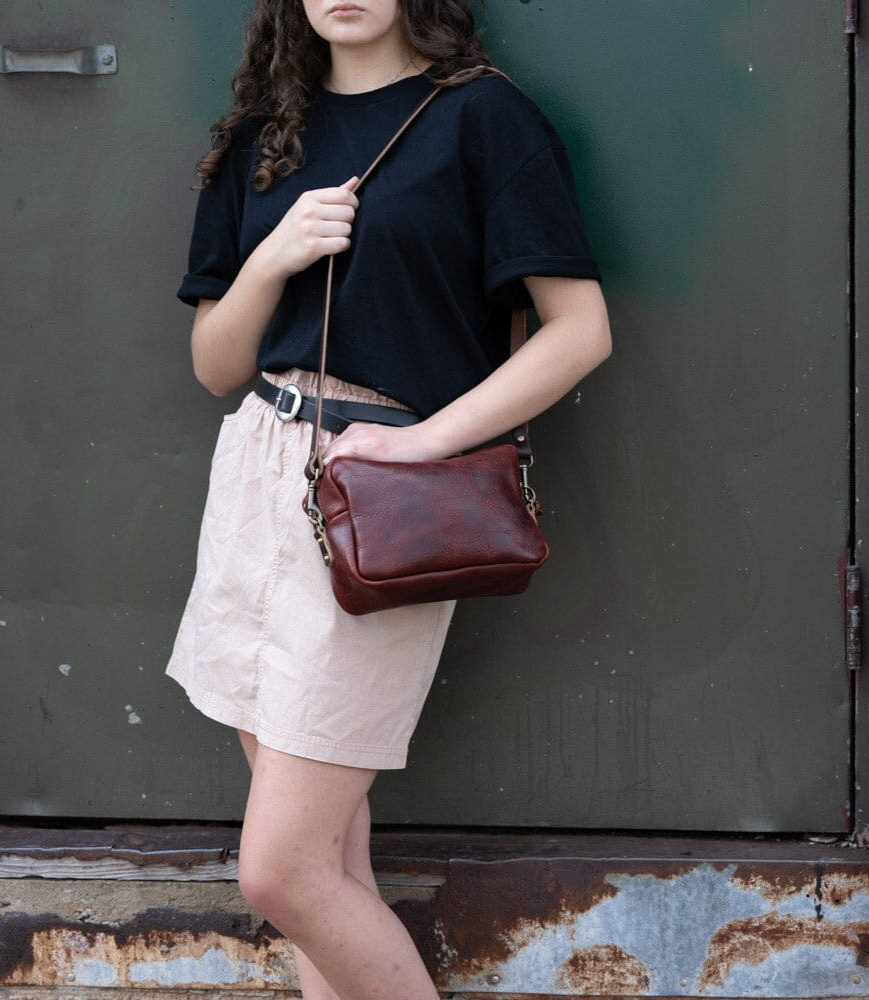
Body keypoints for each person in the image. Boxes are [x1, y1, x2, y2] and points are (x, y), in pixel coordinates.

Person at [165, 1, 611, 997]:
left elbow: (580, 331)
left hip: (381, 498)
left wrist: (420, 442)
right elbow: (214, 364)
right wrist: (274, 255)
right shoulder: (265, 135)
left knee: (280, 873)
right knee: (327, 864)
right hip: (257, 470)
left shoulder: (482, 118)